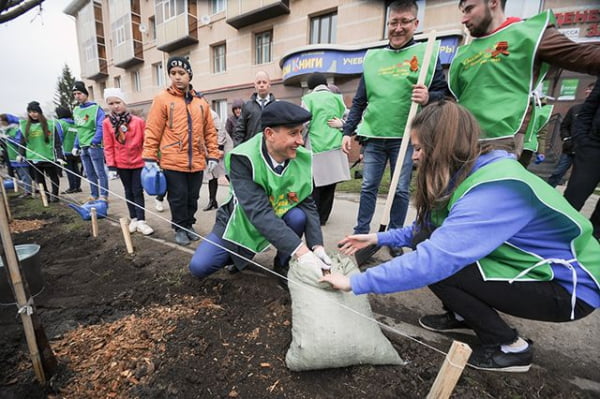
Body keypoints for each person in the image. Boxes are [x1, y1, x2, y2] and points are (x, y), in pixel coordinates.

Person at [321, 100, 600, 373]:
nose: (415, 156)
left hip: (570, 289)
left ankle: (510, 347)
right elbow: (429, 230)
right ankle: (462, 314)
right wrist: (378, 239)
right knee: (428, 246)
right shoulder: (470, 172)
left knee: (442, 268)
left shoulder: (493, 189)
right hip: (542, 270)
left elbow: (435, 260)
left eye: (418, 148)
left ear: (441, 146)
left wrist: (354, 282)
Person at [341, 0, 449, 257]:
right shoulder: (373, 58)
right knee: (368, 187)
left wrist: (428, 98)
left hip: (407, 137)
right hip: (375, 136)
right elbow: (359, 101)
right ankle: (362, 235)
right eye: (393, 22)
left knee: (400, 190)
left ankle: (395, 236)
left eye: (405, 22)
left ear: (415, 24)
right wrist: (347, 131)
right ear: (387, 24)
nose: (398, 28)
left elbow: (443, 95)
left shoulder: (427, 54)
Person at [189, 101, 331, 282]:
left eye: (301, 133)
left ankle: (282, 263)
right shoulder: (244, 158)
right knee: (199, 266)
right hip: (240, 223)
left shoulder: (301, 159)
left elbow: (308, 205)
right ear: (269, 134)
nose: (300, 141)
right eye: (293, 133)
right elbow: (259, 212)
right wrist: (301, 251)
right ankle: (237, 256)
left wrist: (317, 247)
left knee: (298, 216)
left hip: (277, 218)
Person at [450, 0, 600, 155]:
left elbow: (583, 56)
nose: (464, 19)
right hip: (461, 141)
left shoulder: (529, 33)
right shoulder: (464, 52)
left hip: (501, 140)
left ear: (493, 2)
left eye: (469, 9)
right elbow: (453, 99)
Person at [143, 56, 220, 246]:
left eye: (181, 73)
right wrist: (150, 156)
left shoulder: (201, 102)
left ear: (190, 75)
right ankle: (179, 227)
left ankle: (189, 224)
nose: (177, 77)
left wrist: (213, 155)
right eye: (173, 73)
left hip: (196, 161)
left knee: (193, 197)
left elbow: (210, 131)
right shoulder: (162, 99)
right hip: (173, 159)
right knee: (178, 197)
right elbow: (153, 129)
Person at [103, 88, 154, 236]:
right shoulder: (107, 123)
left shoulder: (138, 122)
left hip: (138, 162)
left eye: (118, 102)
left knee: (137, 191)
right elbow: (108, 145)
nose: (115, 106)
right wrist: (111, 166)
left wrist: (150, 159)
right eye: (111, 103)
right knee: (128, 191)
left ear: (124, 102)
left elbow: (146, 142)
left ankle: (142, 220)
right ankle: (134, 218)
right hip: (121, 163)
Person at [301, 72, 350, 225]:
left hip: (316, 147)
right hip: (335, 146)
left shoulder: (308, 99)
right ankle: (323, 218)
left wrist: (300, 140)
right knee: (330, 184)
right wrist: (342, 123)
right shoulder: (337, 98)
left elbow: (304, 123)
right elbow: (350, 117)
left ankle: (314, 218)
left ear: (311, 86)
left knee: (315, 185)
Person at [564, 78, 600, 240]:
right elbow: (588, 108)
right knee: (574, 196)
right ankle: (558, 232)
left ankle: (594, 241)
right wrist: (582, 140)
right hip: (593, 147)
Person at [16, 101, 65, 202]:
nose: (32, 114)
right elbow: (22, 142)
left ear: (40, 112)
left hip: (48, 155)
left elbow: (57, 143)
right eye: (30, 112)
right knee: (39, 179)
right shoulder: (25, 126)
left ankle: (55, 196)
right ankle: (45, 195)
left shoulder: (50, 124)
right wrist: (20, 154)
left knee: (53, 176)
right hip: (33, 157)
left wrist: (59, 156)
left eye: (35, 111)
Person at [548, 83, 594, 187]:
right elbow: (564, 126)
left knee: (579, 179)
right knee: (557, 173)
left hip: (585, 151)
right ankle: (547, 191)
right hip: (570, 149)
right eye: (587, 89)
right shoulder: (575, 109)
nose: (588, 91)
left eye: (591, 89)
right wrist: (566, 139)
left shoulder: (596, 112)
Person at [71, 80, 109, 201]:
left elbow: (101, 126)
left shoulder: (96, 108)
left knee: (100, 172)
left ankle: (103, 195)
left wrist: (95, 141)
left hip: (94, 146)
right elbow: (79, 129)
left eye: (79, 93)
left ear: (85, 94)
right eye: (75, 94)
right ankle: (94, 194)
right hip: (83, 146)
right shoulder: (76, 110)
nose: (77, 96)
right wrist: (76, 145)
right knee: (89, 173)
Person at [232, 71, 276, 147]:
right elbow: (239, 130)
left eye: (264, 82)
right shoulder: (247, 106)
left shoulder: (276, 106)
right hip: (252, 149)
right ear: (255, 85)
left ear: (269, 84)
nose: (261, 85)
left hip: (272, 149)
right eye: (259, 83)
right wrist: (238, 150)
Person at [202, 109, 231, 211]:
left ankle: (240, 198)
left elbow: (221, 130)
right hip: (210, 147)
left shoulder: (211, 114)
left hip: (222, 146)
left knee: (228, 172)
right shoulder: (195, 113)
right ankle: (212, 201)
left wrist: (220, 148)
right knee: (212, 174)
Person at [0, 113, 33, 197]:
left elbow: (19, 142)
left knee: (25, 174)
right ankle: (27, 190)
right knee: (21, 175)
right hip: (12, 156)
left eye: (1, 121)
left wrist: (9, 138)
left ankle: (28, 191)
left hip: (19, 155)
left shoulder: (16, 129)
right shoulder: (6, 130)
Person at [55, 106, 82, 194]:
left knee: (69, 170)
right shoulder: (74, 123)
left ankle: (72, 187)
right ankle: (78, 186)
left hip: (65, 150)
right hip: (76, 149)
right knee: (76, 169)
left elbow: (59, 136)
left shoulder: (60, 123)